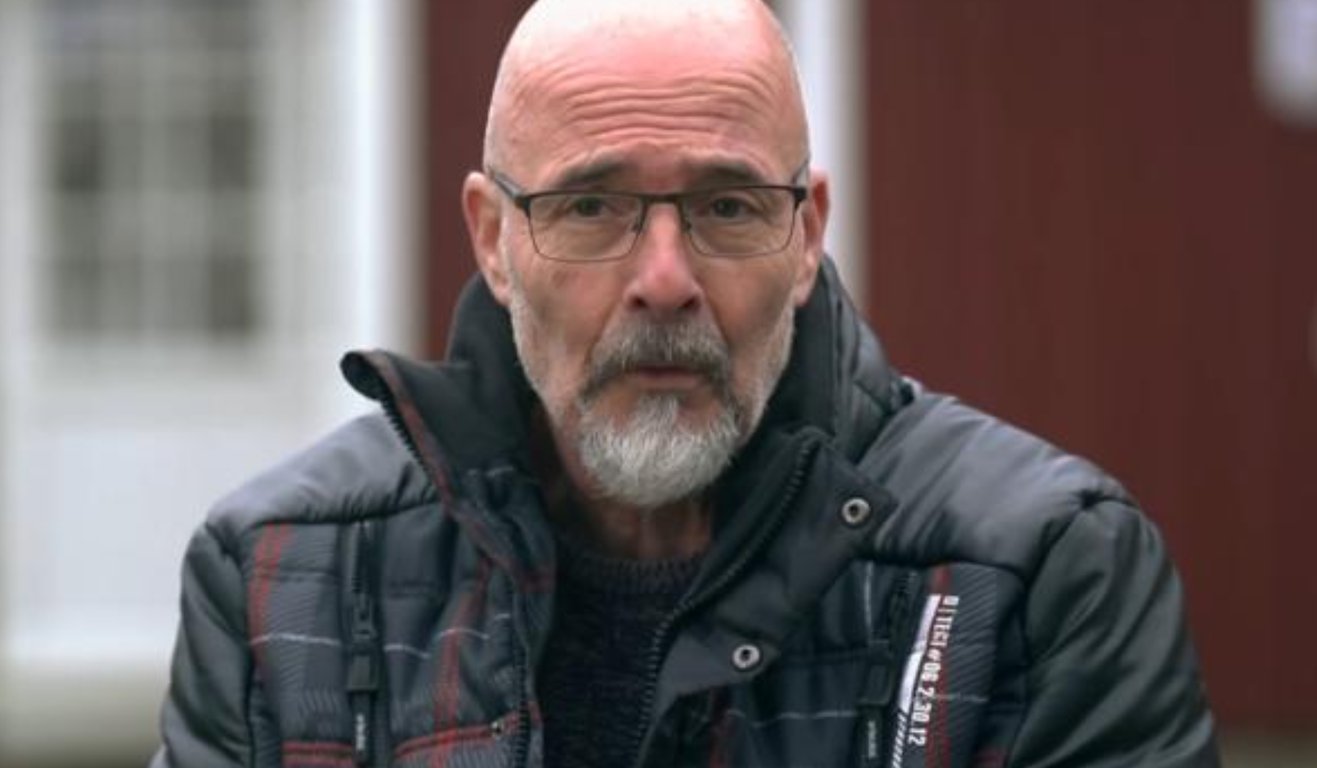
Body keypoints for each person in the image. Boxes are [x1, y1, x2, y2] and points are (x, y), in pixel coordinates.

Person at [151, 1, 1219, 766]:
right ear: (492, 238)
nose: (664, 281)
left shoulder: (1036, 574)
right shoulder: (286, 574)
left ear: (806, 236)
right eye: (589, 207)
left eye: (726, 207)